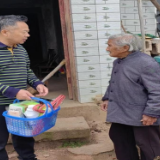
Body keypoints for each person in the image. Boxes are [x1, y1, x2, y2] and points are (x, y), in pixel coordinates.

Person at [101, 33, 160, 160]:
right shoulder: (119, 62)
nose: (107, 48)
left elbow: (157, 91)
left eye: (109, 45)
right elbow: (113, 81)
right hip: (122, 112)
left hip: (142, 115)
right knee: (118, 137)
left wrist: (151, 113)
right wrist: (107, 98)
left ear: (125, 48)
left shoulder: (146, 63)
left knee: (149, 146)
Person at [0, 15, 48, 160]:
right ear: (5, 32)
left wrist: (37, 83)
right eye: (24, 31)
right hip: (1, 104)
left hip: (20, 104)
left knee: (24, 137)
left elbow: (27, 70)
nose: (28, 35)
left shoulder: (21, 49)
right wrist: (14, 92)